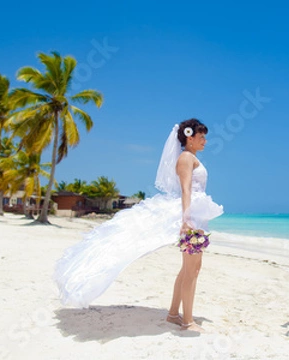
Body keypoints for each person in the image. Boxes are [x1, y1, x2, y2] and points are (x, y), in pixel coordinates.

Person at [54, 118, 223, 333]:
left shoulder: (191, 157)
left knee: (191, 268)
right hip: (190, 218)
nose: (205, 141)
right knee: (191, 270)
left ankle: (173, 314)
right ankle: (187, 321)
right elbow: (185, 189)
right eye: (201, 137)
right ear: (189, 138)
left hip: (197, 216)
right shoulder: (185, 158)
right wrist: (186, 219)